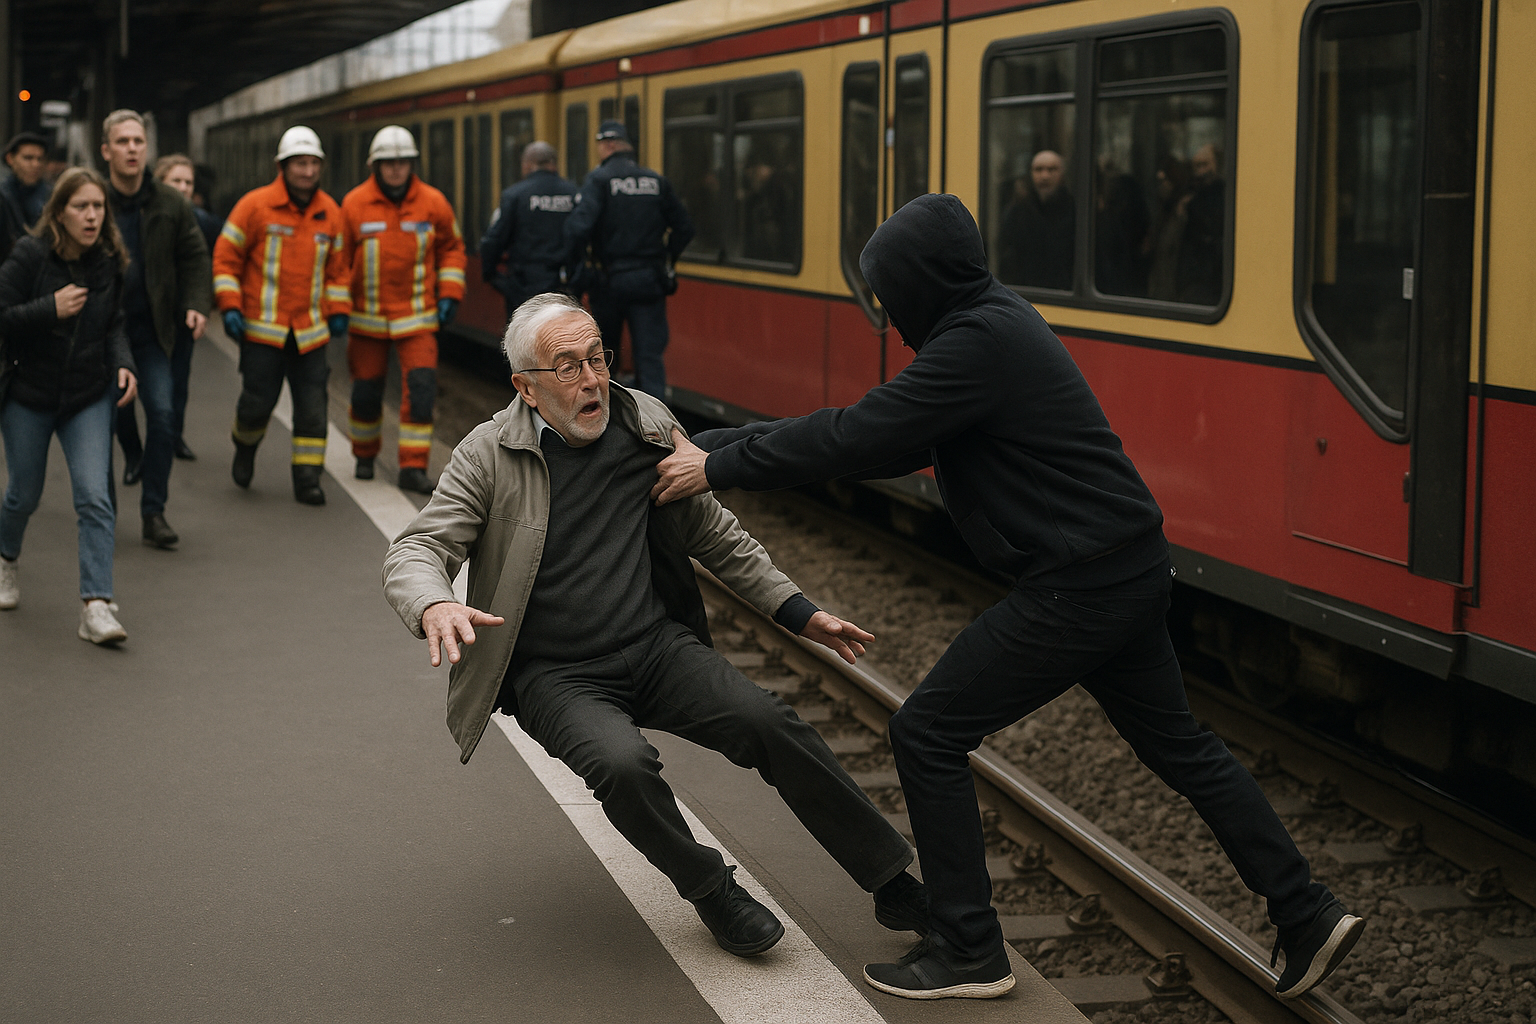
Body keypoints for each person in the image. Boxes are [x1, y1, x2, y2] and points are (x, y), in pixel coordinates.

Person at [653, 194, 1364, 1001]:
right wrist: (716, 443)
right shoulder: (993, 323)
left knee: (926, 732)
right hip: (1125, 567)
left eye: (889, 293)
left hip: (1081, 585)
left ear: (921, 282)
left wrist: (716, 468)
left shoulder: (978, 342)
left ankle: (969, 950)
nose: (888, 313)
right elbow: (888, 434)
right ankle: (1305, 910)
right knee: (1181, 747)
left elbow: (863, 432)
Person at [382, 292, 928, 960]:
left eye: (597, 358)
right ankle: (710, 890)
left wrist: (799, 611)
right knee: (623, 763)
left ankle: (892, 882)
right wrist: (435, 602)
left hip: (655, 646)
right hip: (557, 673)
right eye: (567, 367)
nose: (592, 381)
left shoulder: (645, 422)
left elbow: (713, 532)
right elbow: (415, 550)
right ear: (525, 388)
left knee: (769, 723)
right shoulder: (488, 455)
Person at [0, 168, 139, 642]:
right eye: (82, 207)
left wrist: (123, 363)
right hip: (30, 394)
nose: (92, 216)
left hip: (86, 394)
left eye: (98, 207)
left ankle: (96, 605)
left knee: (94, 496)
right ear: (60, 212)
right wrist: (49, 308)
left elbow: (114, 323)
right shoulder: (29, 256)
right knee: (24, 495)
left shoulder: (108, 261)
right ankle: (6, 559)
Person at [213, 127, 351, 505]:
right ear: (282, 166)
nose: (307, 171)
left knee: (312, 408)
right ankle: (244, 445)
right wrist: (229, 305)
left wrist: (338, 310)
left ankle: (308, 479)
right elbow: (226, 259)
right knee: (256, 403)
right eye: (300, 163)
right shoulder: (254, 206)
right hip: (262, 330)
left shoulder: (330, 212)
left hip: (309, 332)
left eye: (313, 164)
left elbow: (339, 270)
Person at [99, 109, 211, 550]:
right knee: (108, 415)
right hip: (104, 333)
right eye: (122, 142)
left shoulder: (170, 201)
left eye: (138, 142)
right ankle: (103, 508)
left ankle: (153, 512)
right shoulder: (94, 199)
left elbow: (195, 256)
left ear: (147, 149)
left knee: (162, 417)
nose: (131, 149)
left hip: (154, 332)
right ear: (106, 150)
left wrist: (196, 304)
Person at [339, 125, 465, 495]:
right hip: (367, 320)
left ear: (412, 164)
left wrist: (450, 293)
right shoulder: (354, 204)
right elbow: (338, 260)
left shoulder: (433, 202)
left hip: (417, 319)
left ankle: (412, 467)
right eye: (388, 163)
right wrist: (337, 306)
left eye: (402, 162)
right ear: (374, 165)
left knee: (422, 392)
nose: (395, 169)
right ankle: (364, 455)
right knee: (365, 393)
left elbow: (452, 249)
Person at [562, 120, 692, 399]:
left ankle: (608, 420)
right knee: (650, 358)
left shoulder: (599, 180)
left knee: (604, 356)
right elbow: (684, 227)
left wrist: (578, 272)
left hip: (609, 282)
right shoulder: (655, 181)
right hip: (649, 280)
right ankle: (656, 427)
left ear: (607, 145)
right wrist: (668, 260)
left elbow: (577, 229)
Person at [116, 153, 215, 468]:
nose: (184, 188)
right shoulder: (145, 212)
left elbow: (201, 262)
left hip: (178, 318)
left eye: (188, 183)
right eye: (177, 181)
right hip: (136, 318)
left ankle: (172, 438)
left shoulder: (202, 221)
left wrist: (198, 303)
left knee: (175, 387)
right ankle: (133, 453)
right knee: (126, 394)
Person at [479, 141, 577, 323]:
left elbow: (493, 240)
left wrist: (492, 276)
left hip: (523, 287)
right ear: (554, 163)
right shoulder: (573, 194)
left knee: (524, 341)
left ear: (527, 164)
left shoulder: (515, 195)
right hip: (563, 286)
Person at [996, 149, 1074, 290]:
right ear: (1030, 174)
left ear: (1062, 175)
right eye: (1039, 170)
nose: (1045, 176)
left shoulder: (1075, 211)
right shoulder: (1018, 212)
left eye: (1052, 170)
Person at [1176, 143, 1225, 305]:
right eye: (1196, 166)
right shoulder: (1188, 197)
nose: (1200, 172)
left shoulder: (1220, 199)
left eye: (1205, 165)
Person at [1, 132, 52, 261]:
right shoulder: (4, 195)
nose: (35, 165)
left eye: (40, 159)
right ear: (10, 159)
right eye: (28, 158)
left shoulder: (50, 195)